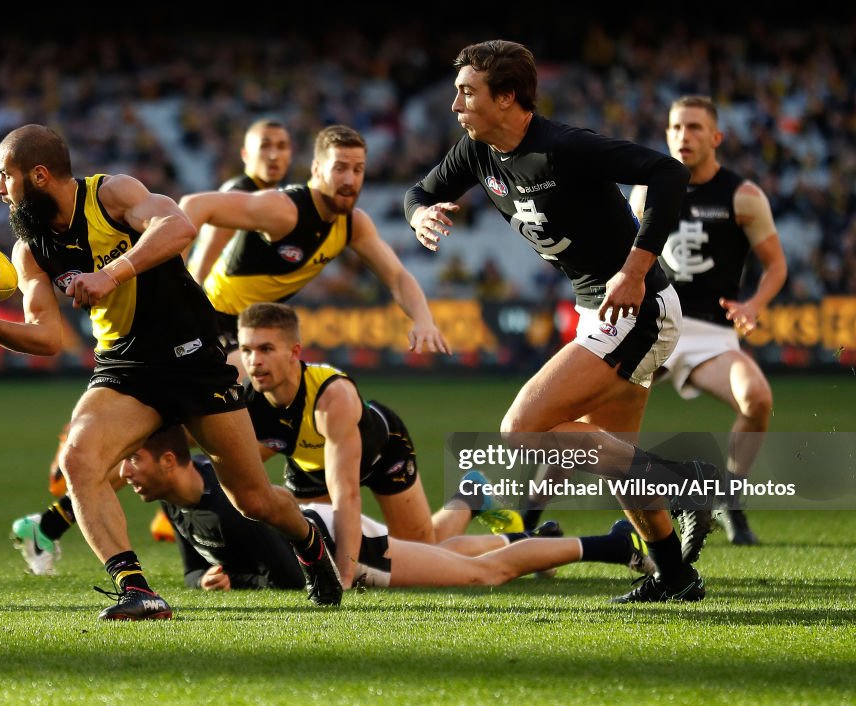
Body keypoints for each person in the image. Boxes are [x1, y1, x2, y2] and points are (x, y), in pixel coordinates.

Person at [0, 123, 343, 619]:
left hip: (192, 357)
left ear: (38, 176)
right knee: (79, 462)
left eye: (5, 177)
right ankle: (136, 590)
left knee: (252, 498)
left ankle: (312, 544)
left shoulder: (112, 194)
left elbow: (179, 227)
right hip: (126, 366)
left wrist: (111, 272)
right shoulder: (30, 248)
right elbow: (47, 337)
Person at [404, 40, 721, 603]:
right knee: (618, 464)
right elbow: (421, 191)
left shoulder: (564, 147)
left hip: (635, 306)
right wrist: (420, 213)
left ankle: (683, 480)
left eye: (467, 92)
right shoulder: (478, 150)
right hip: (599, 308)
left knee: (521, 429)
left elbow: (668, 174)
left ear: (507, 98)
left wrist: (635, 269)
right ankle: (674, 576)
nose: (455, 104)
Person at [121, 425, 656, 592]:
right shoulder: (176, 501)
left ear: (170, 460)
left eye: (133, 461)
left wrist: (239, 581)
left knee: (479, 576)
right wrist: (207, 582)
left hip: (340, 548)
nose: (124, 473)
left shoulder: (231, 495)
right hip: (329, 534)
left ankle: (616, 545)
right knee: (441, 552)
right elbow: (194, 573)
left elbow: (286, 572)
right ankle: (505, 521)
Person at [238, 301, 520, 588]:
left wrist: (344, 579)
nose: (254, 361)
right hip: (310, 466)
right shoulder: (247, 398)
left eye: (266, 349)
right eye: (246, 351)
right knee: (312, 550)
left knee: (423, 552)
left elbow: (346, 495)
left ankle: (481, 509)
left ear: (294, 352)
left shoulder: (332, 397)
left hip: (381, 455)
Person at [629, 95, 788, 545]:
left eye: (696, 127)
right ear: (666, 134)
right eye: (677, 127)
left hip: (711, 336)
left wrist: (754, 305)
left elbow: (776, 265)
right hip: (654, 325)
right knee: (586, 416)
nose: (685, 136)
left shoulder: (743, 195)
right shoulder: (646, 190)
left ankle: (729, 501)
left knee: (756, 399)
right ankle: (531, 517)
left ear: (716, 137)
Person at [178, 123, 453, 378]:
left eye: (358, 170)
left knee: (320, 394)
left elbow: (397, 277)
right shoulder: (283, 210)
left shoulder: (353, 224)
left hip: (250, 329)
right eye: (340, 168)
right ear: (317, 170)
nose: (350, 180)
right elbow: (194, 205)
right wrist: (174, 284)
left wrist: (423, 319)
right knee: (254, 381)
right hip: (212, 321)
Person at [186, 117, 293, 290]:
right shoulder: (237, 196)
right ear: (245, 154)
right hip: (216, 303)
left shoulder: (277, 198)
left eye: (282, 146)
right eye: (265, 146)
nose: (274, 155)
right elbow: (202, 267)